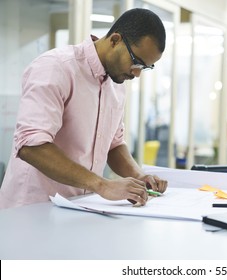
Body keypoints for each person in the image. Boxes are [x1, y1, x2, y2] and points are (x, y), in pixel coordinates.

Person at [0, 8, 168, 209]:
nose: (137, 74)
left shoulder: (116, 83)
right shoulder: (56, 67)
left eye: (144, 68)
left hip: (80, 207)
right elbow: (31, 146)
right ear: (115, 40)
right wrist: (102, 185)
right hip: (32, 209)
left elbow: (114, 144)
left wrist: (140, 176)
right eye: (136, 62)